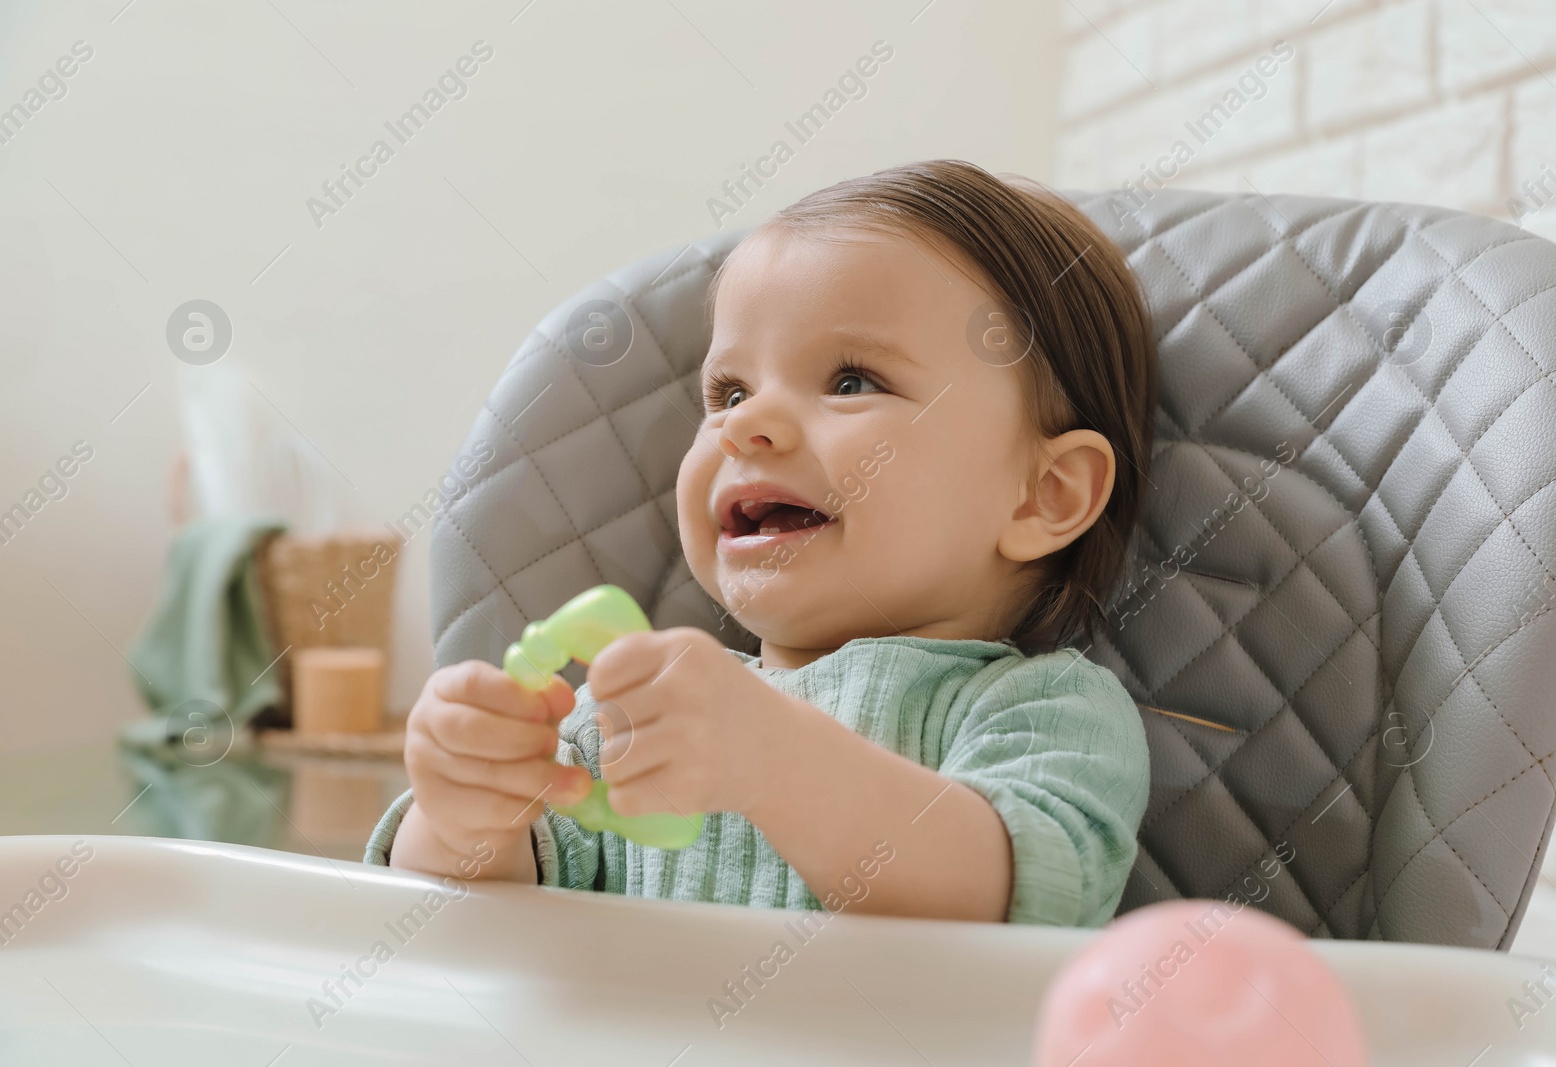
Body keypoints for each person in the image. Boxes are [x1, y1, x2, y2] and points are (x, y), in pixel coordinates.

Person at [367, 159, 1158, 927]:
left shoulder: (1045, 710)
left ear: (1043, 496)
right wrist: (464, 809)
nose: (744, 423)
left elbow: (1029, 898)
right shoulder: (615, 723)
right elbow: (474, 923)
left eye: (852, 381)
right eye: (729, 391)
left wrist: (778, 759)